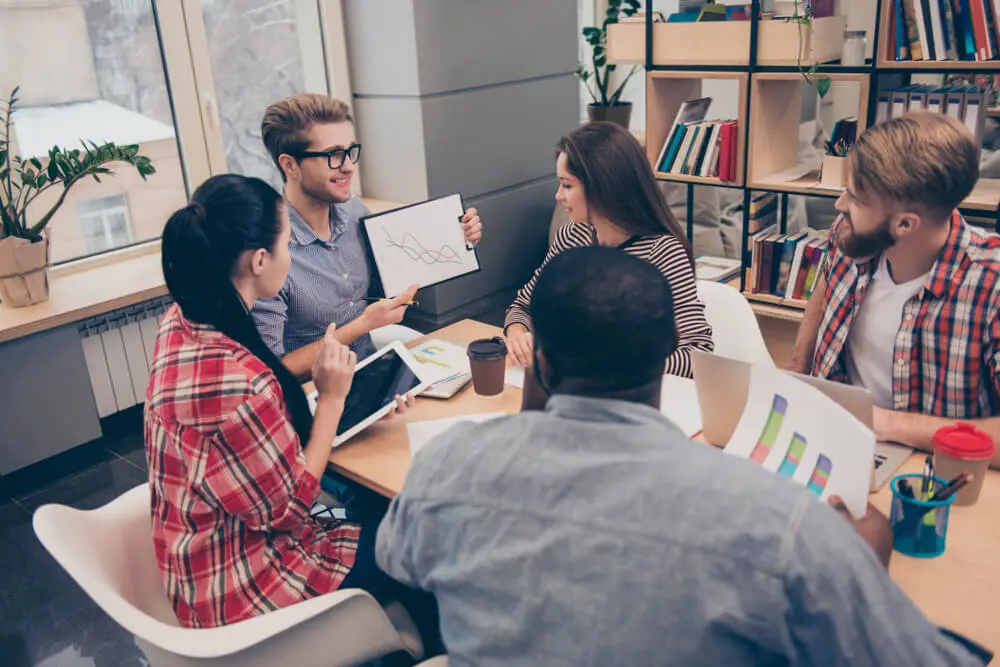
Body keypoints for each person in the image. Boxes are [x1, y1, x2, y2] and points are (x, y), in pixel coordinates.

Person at [375, 246, 987, 666]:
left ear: (541, 363)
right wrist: (864, 565)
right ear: (669, 350)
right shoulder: (782, 526)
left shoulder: (445, 466)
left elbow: (398, 558)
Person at [146, 175, 440, 652]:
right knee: (424, 539)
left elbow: (253, 450)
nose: (292, 256)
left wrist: (349, 404)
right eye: (287, 243)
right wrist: (332, 402)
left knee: (383, 515)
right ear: (259, 260)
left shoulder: (182, 324)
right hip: (247, 589)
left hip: (199, 560)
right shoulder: (241, 384)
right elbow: (290, 507)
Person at [789, 112, 1000, 466]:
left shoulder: (990, 284)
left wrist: (889, 424)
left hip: (935, 474)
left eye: (855, 198)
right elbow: (825, 287)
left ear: (905, 224)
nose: (840, 205)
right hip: (832, 446)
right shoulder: (851, 234)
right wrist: (797, 370)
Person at [253, 93, 483, 378]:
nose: (349, 166)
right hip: (314, 396)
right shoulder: (268, 253)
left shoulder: (354, 211)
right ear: (289, 165)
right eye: (333, 155)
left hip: (371, 370)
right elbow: (272, 371)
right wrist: (362, 325)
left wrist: (455, 238)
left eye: (351, 151)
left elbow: (388, 284)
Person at [503, 121, 712, 377]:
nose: (558, 195)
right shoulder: (573, 236)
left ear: (602, 186)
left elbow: (698, 354)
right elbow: (523, 306)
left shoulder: (662, 252)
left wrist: (619, 367)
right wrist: (517, 334)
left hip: (636, 399)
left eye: (567, 185)